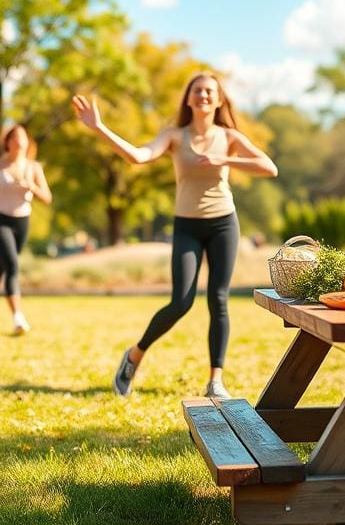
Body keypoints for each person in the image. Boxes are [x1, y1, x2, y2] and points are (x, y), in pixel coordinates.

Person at [72, 72, 278, 399]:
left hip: (224, 223)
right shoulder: (174, 136)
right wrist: (99, 128)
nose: (203, 95)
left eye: (210, 91)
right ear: (188, 98)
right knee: (181, 301)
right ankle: (135, 354)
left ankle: (215, 380)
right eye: (197, 90)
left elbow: (269, 167)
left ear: (219, 100)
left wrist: (223, 159)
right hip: (187, 226)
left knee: (218, 299)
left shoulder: (229, 137)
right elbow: (137, 156)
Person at [0, 124, 52, 334]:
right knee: (13, 264)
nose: (18, 140)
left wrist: (32, 187)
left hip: (21, 222)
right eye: (14, 137)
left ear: (27, 142)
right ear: (7, 142)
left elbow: (47, 198)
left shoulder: (34, 168)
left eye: (22, 137)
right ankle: (18, 318)